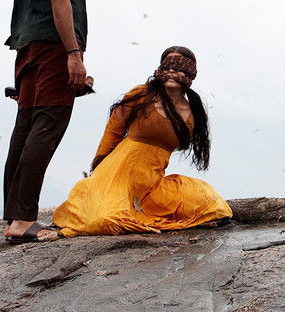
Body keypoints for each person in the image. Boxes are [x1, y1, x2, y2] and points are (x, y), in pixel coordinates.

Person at [1, 0, 103, 244]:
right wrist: (73, 53)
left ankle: (15, 217)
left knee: (26, 127)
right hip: (53, 47)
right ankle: (23, 220)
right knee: (48, 125)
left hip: (27, 47)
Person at [52, 46, 233, 236]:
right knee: (107, 220)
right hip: (117, 177)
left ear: (190, 73)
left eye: (178, 67)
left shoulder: (193, 113)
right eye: (167, 66)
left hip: (152, 185)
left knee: (210, 205)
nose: (171, 71)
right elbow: (113, 131)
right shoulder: (142, 95)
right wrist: (97, 167)